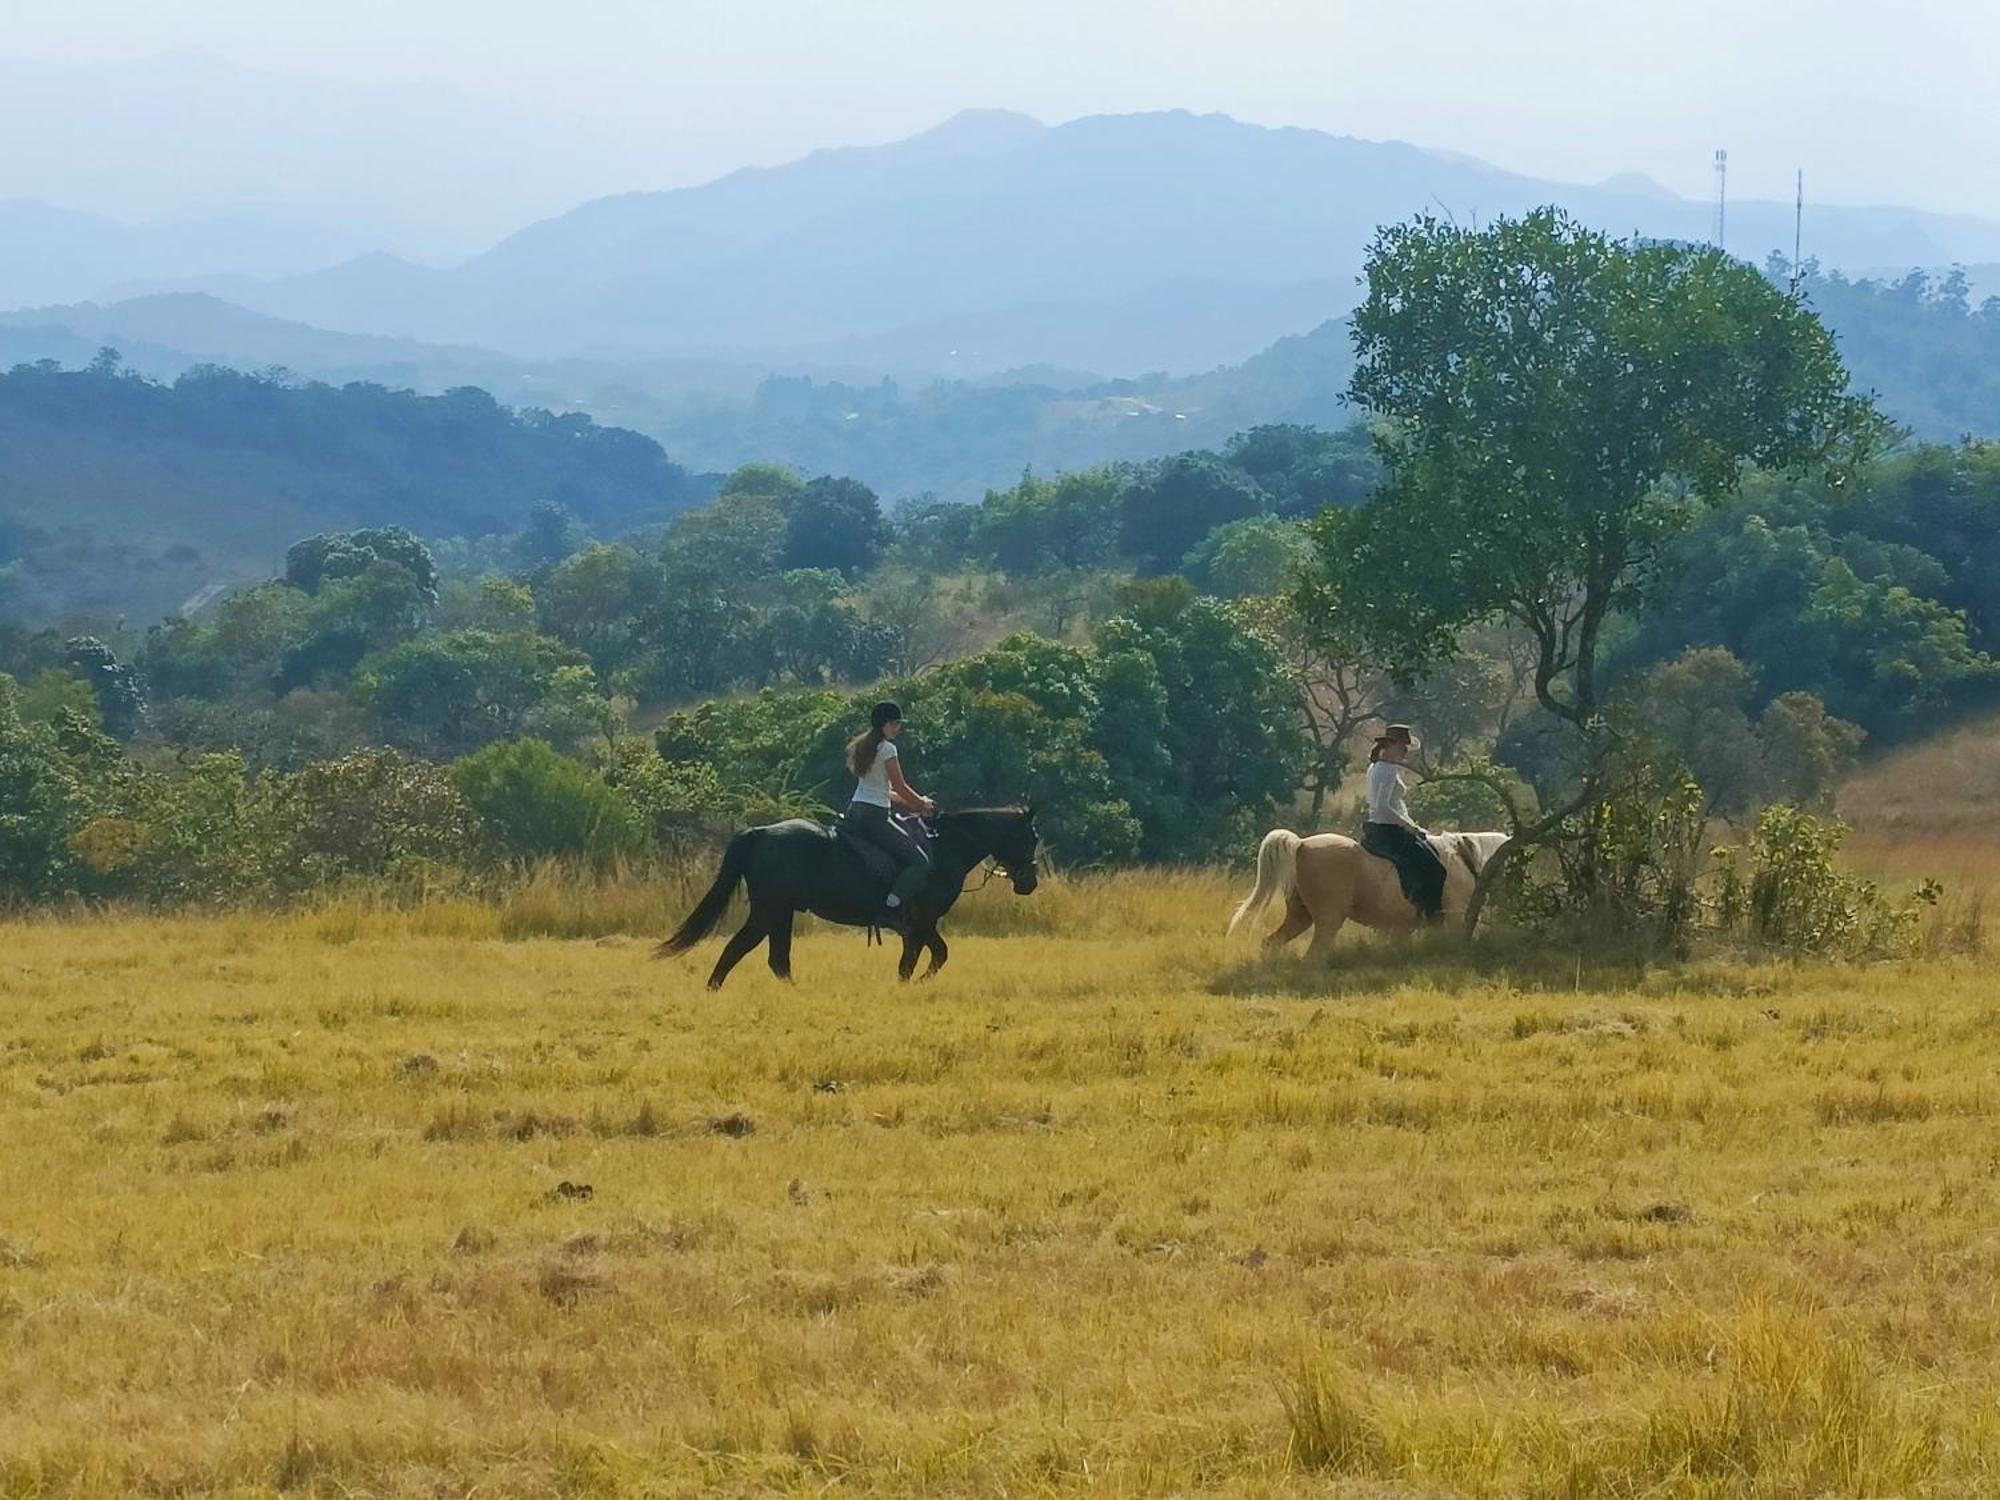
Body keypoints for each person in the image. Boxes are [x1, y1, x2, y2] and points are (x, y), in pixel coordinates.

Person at [844, 700, 936, 917]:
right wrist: (922, 804)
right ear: (884, 724)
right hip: (874, 817)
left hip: (855, 811)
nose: (898, 728)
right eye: (895, 723)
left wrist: (915, 803)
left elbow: (884, 791)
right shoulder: (887, 749)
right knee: (920, 863)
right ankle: (890, 906)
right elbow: (900, 787)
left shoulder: (863, 745)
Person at [1361, 724, 1447, 921]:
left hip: (1378, 827)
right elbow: (1383, 807)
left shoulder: (1374, 767)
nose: (1405, 752)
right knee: (1437, 869)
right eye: (1403, 747)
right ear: (1392, 746)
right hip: (1390, 830)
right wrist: (1410, 827)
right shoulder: (1389, 770)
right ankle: (1432, 914)